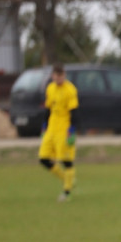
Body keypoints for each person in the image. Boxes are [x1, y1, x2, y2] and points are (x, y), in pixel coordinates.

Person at [38, 64, 79, 202]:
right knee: (43, 159)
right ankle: (68, 179)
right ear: (52, 76)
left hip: (64, 129)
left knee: (66, 160)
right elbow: (48, 109)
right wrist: (44, 125)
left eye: (61, 76)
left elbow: (74, 112)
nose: (59, 78)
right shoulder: (50, 88)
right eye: (56, 76)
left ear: (64, 75)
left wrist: (72, 130)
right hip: (51, 128)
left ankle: (67, 192)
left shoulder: (70, 90)